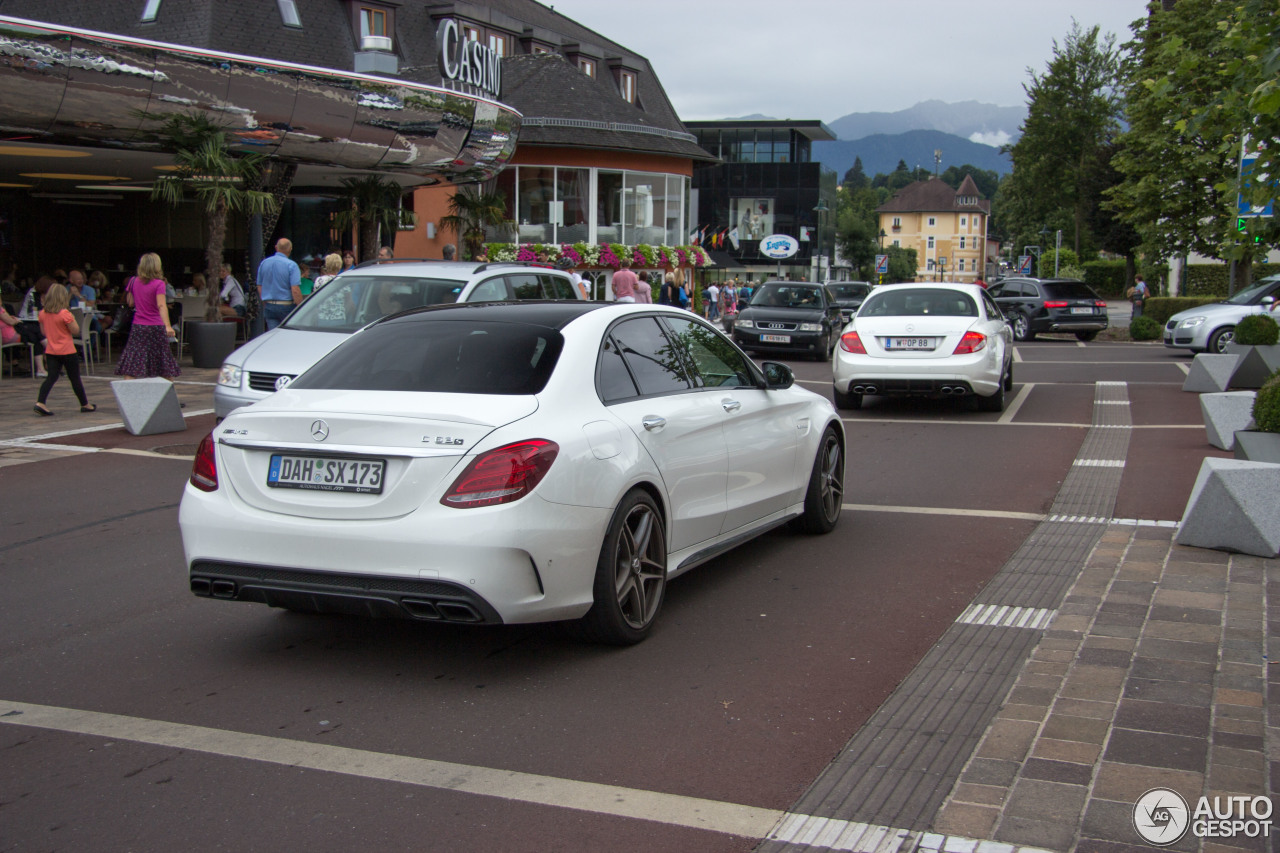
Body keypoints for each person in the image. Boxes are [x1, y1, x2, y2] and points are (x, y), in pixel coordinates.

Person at [115, 253, 180, 380]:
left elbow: (130, 302)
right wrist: (168, 326)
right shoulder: (159, 284)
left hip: (139, 325)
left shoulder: (133, 281)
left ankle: (128, 395)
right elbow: (161, 305)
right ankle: (168, 395)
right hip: (156, 326)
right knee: (163, 363)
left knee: (133, 361)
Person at [33, 283, 95, 415]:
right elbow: (76, 330)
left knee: (51, 377)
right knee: (74, 378)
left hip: (51, 350)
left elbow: (43, 332)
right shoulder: (64, 313)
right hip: (67, 350)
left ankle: (40, 402)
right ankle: (85, 404)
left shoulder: (42, 313)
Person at [257, 237, 301, 330]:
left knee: (273, 335)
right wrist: (301, 307)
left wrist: (265, 301)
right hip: (286, 305)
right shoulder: (292, 265)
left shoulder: (264, 263)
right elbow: (295, 290)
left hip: (269, 305)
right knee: (289, 335)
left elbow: (260, 286)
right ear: (290, 249)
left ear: (276, 247)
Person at [18, 275, 52, 376]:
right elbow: (36, 310)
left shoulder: (45, 295)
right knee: (39, 333)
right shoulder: (33, 293)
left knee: (37, 338)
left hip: (36, 323)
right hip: (26, 322)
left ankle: (41, 369)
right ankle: (50, 349)